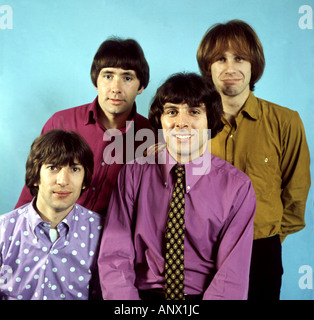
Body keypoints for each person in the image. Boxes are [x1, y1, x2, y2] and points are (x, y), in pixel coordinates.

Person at [97, 73, 256, 300]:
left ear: (210, 120)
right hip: (140, 297)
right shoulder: (133, 173)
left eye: (194, 112)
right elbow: (115, 255)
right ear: (160, 120)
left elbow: (231, 276)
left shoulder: (237, 188)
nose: (181, 122)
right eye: (172, 112)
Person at [197, 19, 311, 300]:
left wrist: (270, 235)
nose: (230, 68)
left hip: (262, 251)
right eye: (220, 59)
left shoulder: (286, 121)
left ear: (253, 65)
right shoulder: (191, 124)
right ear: (208, 68)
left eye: (240, 58)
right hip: (203, 252)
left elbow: (296, 192)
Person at [15, 37, 151, 216]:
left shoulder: (151, 136)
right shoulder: (61, 122)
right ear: (96, 82)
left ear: (140, 86)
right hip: (50, 229)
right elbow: (33, 185)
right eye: (108, 76)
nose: (116, 88)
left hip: (109, 238)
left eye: (127, 78)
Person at [0, 130, 104, 300]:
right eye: (53, 167)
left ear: (85, 180)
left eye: (75, 169)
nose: (63, 181)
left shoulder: (102, 232)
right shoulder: (4, 229)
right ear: (36, 176)